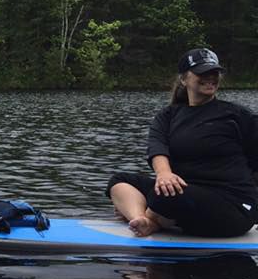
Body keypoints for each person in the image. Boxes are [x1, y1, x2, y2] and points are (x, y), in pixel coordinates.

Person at [106, 48, 258, 237]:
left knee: (163, 196)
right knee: (120, 181)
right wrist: (164, 173)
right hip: (184, 193)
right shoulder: (168, 116)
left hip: (233, 206)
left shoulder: (237, 116)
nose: (210, 77)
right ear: (184, 79)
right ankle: (143, 220)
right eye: (202, 72)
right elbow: (157, 147)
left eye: (214, 72)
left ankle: (153, 217)